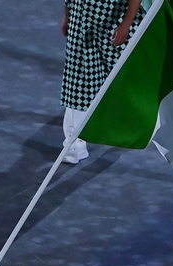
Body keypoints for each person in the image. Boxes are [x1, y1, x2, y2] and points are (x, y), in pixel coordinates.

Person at [60, 0, 145, 164]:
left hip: (113, 23)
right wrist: (68, 14)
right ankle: (74, 143)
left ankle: (132, 122)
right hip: (81, 21)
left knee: (123, 78)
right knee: (77, 84)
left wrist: (126, 24)